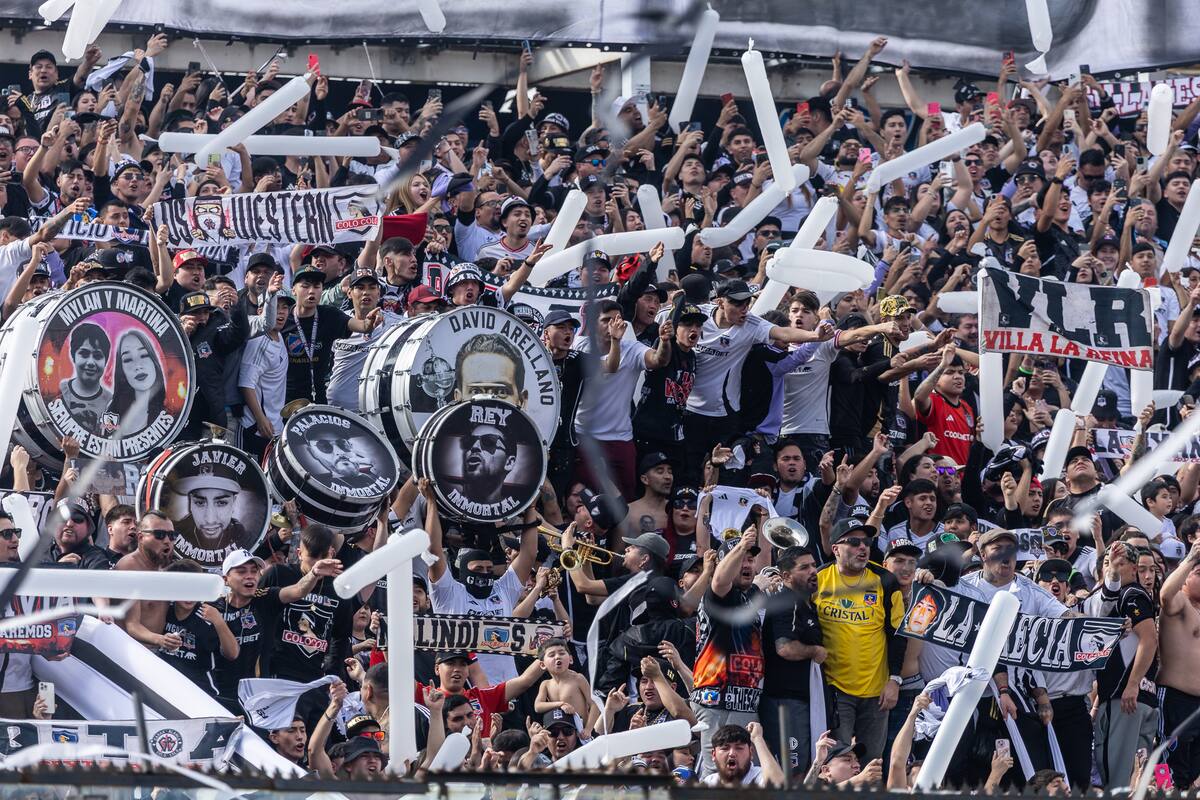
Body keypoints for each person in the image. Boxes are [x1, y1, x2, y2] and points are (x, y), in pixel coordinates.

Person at [814, 518, 905, 762]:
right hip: (834, 688)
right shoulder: (818, 578)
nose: (863, 547)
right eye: (854, 542)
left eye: (866, 542)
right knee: (837, 760)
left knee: (872, 762)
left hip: (877, 691)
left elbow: (897, 634)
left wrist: (894, 679)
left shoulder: (885, 580)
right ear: (836, 549)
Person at [761, 545, 824, 776]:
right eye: (804, 567)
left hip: (802, 700)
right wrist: (815, 651)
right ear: (786, 576)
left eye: (814, 565)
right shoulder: (786, 602)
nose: (813, 571)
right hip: (784, 702)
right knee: (793, 772)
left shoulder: (806, 604)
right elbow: (785, 648)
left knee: (806, 768)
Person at [1157, 539, 1200, 787]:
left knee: (1193, 771)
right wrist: (1191, 558)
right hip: (1175, 698)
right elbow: (1165, 594)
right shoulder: (1179, 602)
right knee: (1169, 763)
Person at [100, 328, 167, 436]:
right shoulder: (112, 409)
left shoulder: (171, 410)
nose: (138, 366)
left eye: (144, 355)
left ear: (154, 360)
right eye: (127, 359)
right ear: (122, 370)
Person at [57, 322, 111, 435]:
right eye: (84, 354)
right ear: (73, 356)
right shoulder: (57, 392)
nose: (91, 362)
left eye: (97, 356)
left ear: (106, 361)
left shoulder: (112, 402)